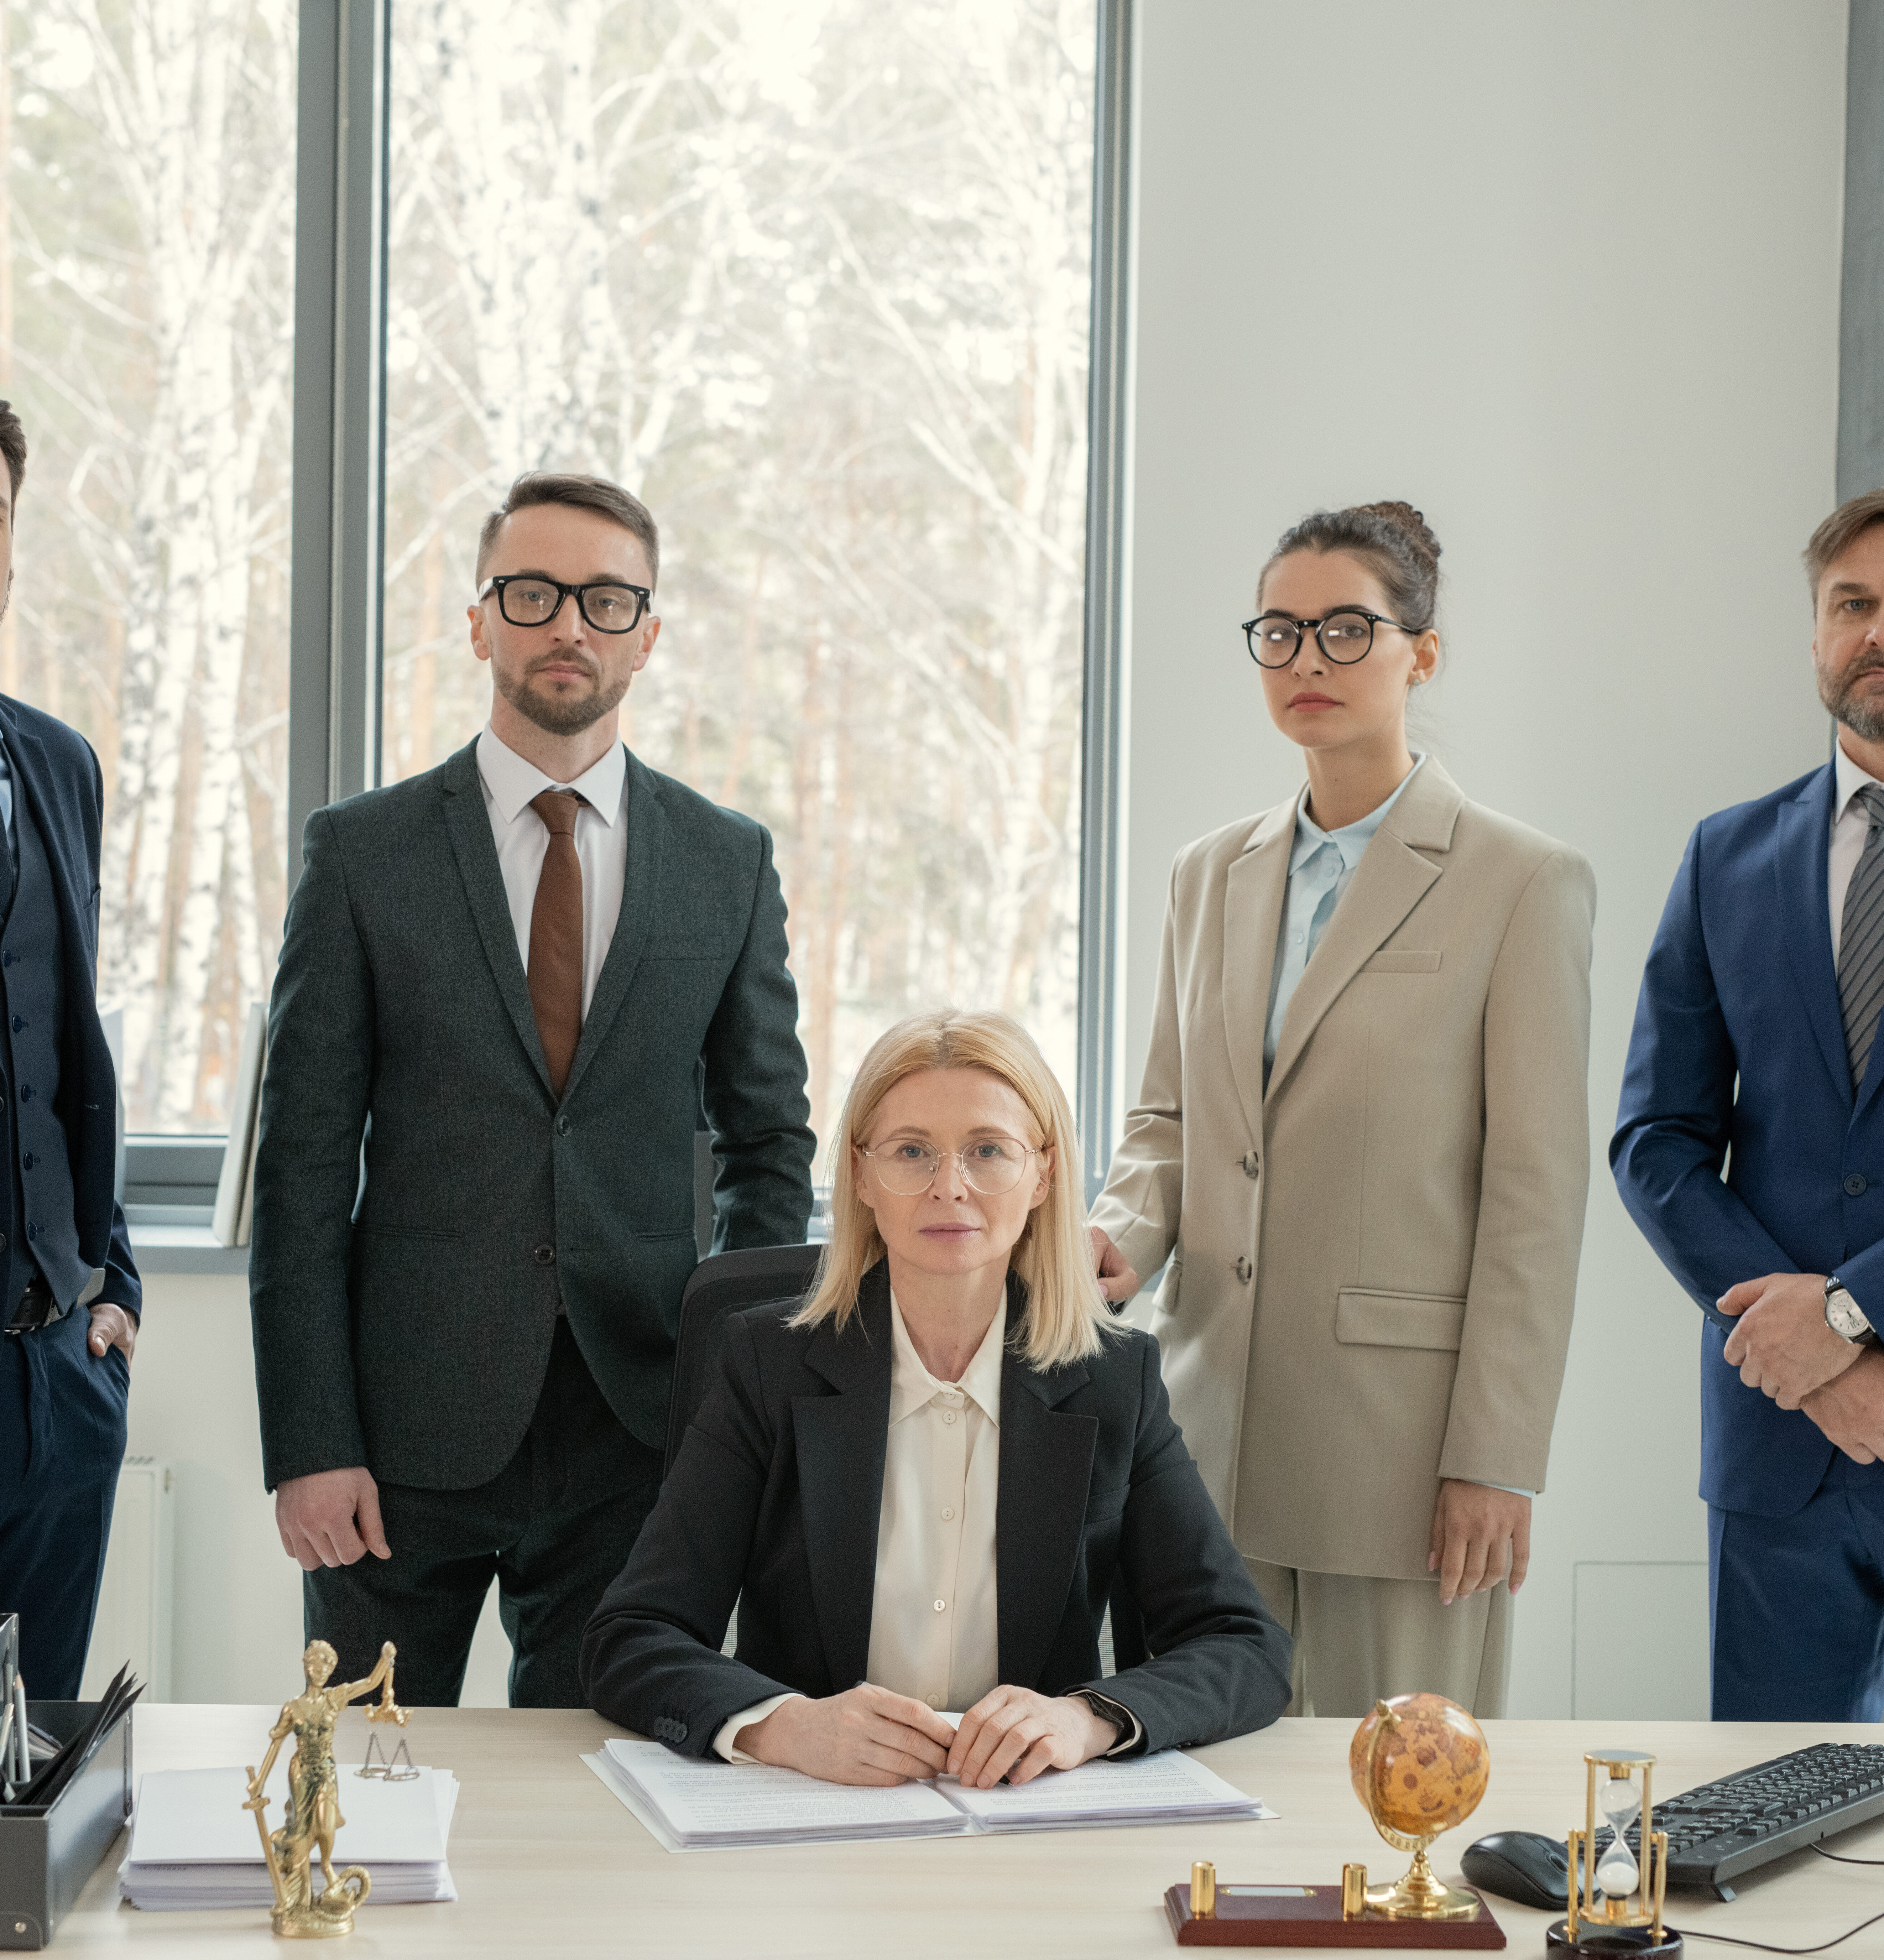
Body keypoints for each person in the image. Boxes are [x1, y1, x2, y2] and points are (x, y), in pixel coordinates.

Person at [250, 470, 814, 1708]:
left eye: (607, 600)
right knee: (358, 1781)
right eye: (536, 592)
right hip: (400, 1436)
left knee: (599, 1800)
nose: (570, 624)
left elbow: (768, 1147)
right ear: (479, 619)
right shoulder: (362, 854)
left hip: (641, 1428)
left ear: (648, 635)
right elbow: (295, 1165)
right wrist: (311, 1441)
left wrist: (738, 1407)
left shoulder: (727, 861)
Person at [1088, 502, 1593, 1720]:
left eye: (1344, 629)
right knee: (1198, 1798)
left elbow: (1535, 1193)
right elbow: (1166, 1119)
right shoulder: (1207, 873)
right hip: (1204, 1428)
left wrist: (1494, 1457)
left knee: (1395, 1811)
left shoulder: (1519, 879)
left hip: (1404, 1452)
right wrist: (1115, 1235)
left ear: (1420, 653)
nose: (1306, 659)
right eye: (1278, 630)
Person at [582, 1009, 1290, 1783]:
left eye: (988, 1151)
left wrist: (1084, 1717)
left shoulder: (1114, 1376)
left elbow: (1243, 1645)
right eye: (912, 1151)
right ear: (860, 1175)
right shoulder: (768, 1365)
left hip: (1029, 1822)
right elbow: (632, 1635)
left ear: (1043, 1174)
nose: (949, 1186)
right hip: (812, 1816)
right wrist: (784, 1727)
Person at [1613, 488, 1884, 1721]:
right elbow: (1656, 1137)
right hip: (1774, 1441)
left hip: (1817, 1355)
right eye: (1852, 605)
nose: (1875, 632)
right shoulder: (1726, 855)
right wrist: (1799, 1352)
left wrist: (1848, 1312)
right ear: (1815, 633)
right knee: (1770, 1835)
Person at [0, 360, 141, 1696]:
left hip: (55, 1402)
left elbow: (60, 1053)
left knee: (18, 1838)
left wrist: (107, 1286)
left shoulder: (57, 761)